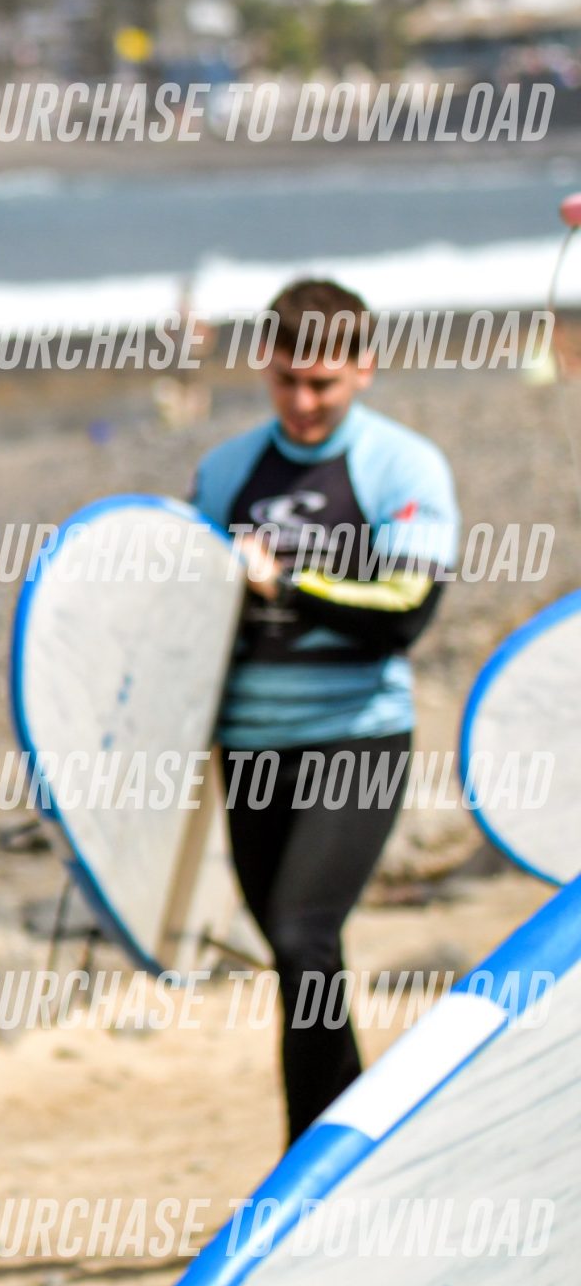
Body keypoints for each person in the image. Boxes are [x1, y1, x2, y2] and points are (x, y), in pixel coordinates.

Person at [190, 277, 457, 1141]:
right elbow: (186, 622)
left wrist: (288, 584)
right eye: (286, 381)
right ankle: (357, 1149)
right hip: (251, 746)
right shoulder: (225, 472)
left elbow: (406, 611)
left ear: (364, 368)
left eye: (323, 384)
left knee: (303, 933)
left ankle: (309, 1169)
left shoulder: (404, 466)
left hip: (357, 735)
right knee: (298, 955)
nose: (303, 403)